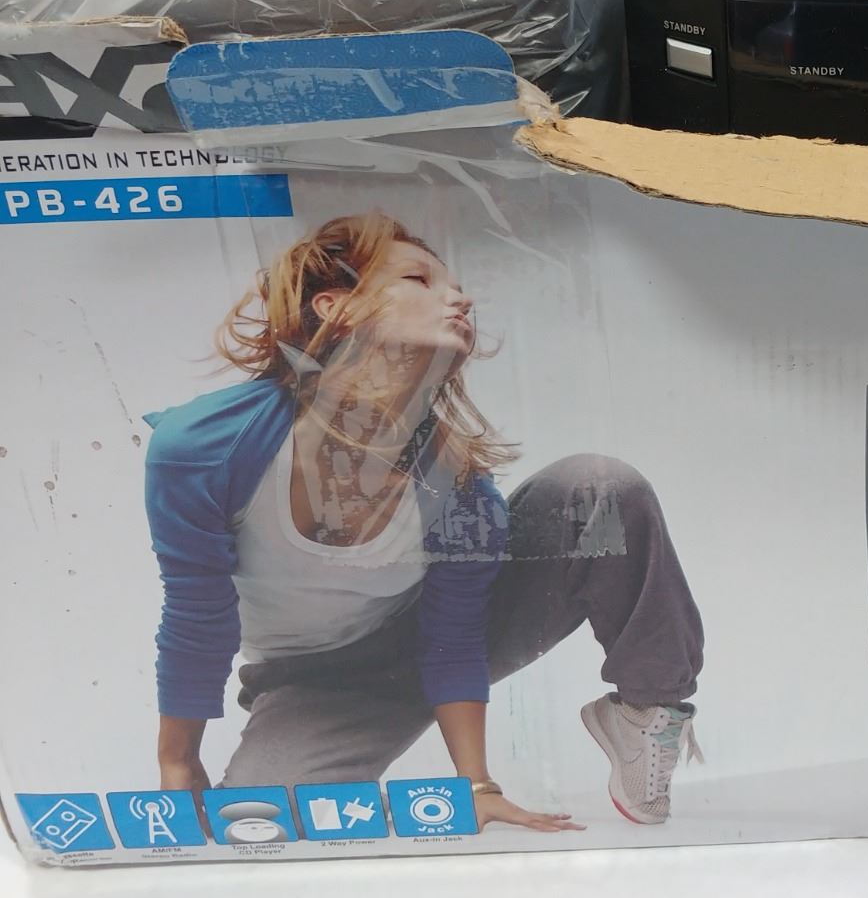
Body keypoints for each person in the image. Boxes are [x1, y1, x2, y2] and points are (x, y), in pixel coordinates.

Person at [145, 212, 705, 829]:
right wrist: (179, 759)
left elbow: (454, 637)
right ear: (337, 307)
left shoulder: (458, 481)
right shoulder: (206, 446)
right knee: (261, 819)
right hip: (317, 680)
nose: (461, 299)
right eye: (419, 279)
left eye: (456, 286)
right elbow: (198, 615)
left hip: (433, 639)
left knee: (598, 488)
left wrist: (477, 785)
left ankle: (646, 709)